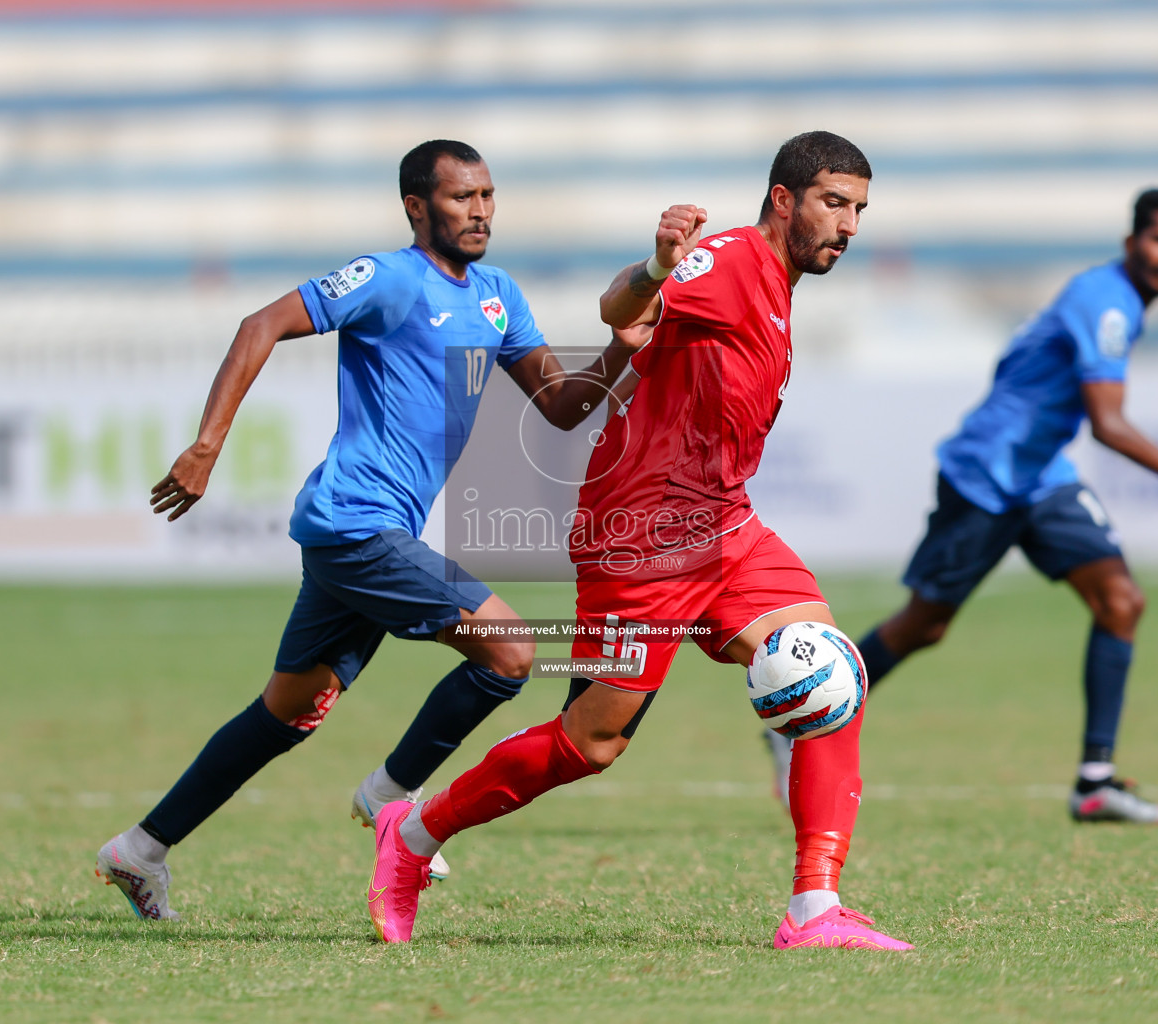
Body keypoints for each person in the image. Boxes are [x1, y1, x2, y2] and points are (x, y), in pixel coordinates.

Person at [364, 131, 913, 951]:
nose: (850, 225)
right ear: (783, 199)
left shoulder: (778, 285)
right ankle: (411, 834)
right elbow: (620, 311)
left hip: (723, 522)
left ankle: (814, 909)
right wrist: (656, 268)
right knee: (591, 743)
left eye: (860, 209)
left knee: (830, 665)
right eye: (835, 203)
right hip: (644, 536)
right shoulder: (729, 262)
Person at [95, 139, 645, 920]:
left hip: (353, 536)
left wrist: (620, 354)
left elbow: (558, 405)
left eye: (487, 195)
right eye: (461, 198)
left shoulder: (498, 295)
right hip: (360, 525)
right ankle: (393, 795)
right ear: (418, 207)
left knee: (284, 714)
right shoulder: (387, 279)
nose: (480, 210)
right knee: (512, 651)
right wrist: (208, 444)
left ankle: (138, 852)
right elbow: (261, 324)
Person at [767, 188, 1158, 826]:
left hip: (1040, 477)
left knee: (1122, 601)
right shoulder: (1107, 303)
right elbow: (1109, 424)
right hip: (987, 474)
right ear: (1131, 243)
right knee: (923, 625)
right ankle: (798, 712)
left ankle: (1095, 783)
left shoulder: (1120, 301)